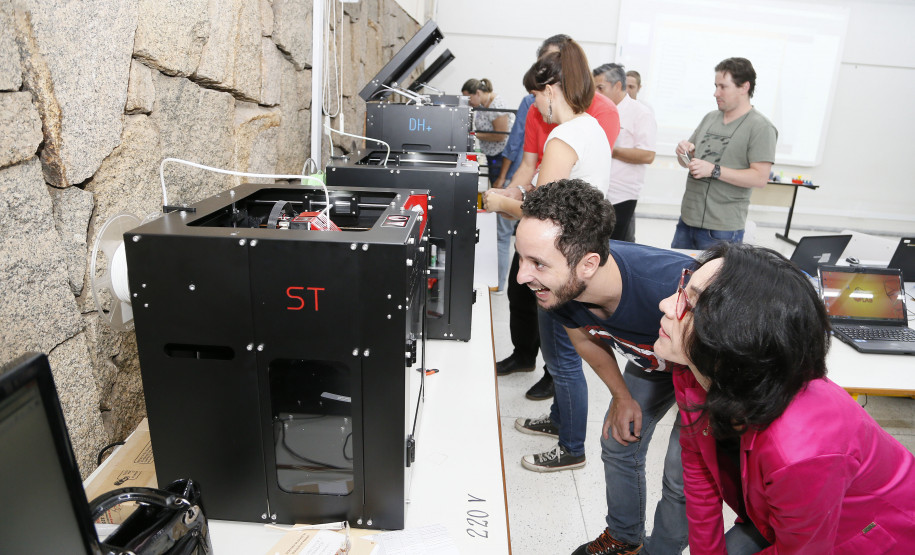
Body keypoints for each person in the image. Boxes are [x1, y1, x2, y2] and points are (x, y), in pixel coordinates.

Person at [655, 242, 915, 553]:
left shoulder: (801, 448)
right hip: (781, 516)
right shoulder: (694, 371)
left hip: (869, 535)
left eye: (691, 304)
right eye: (682, 288)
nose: (666, 304)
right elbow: (699, 473)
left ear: (737, 335)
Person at [515, 179, 690, 554]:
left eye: (537, 263)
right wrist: (621, 396)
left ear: (589, 264)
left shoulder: (673, 289)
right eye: (521, 258)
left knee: (682, 475)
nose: (521, 276)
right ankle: (625, 539)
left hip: (706, 371)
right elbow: (583, 338)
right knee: (618, 440)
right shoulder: (560, 285)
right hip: (655, 363)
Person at [488, 34, 620, 403]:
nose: (533, 103)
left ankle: (569, 445)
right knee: (566, 354)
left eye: (534, 94)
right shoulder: (589, 127)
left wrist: (497, 202)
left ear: (550, 90)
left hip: (561, 255)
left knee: (562, 358)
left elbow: (540, 212)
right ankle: (560, 425)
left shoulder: (563, 137)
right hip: (577, 248)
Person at [672, 57, 777, 250]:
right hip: (687, 221)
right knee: (678, 278)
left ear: (744, 87)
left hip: (722, 229)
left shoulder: (761, 127)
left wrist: (714, 170)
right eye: (715, 86)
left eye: (723, 87)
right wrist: (683, 153)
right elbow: (687, 163)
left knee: (714, 281)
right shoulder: (710, 118)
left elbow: (760, 178)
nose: (715, 93)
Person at [593, 63, 657, 242]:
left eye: (600, 88)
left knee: (613, 248)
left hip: (621, 195)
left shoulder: (640, 113)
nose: (596, 94)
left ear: (618, 86)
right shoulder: (595, 111)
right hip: (596, 190)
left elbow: (647, 155)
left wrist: (610, 150)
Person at [461, 77, 515, 190]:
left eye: (469, 98)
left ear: (478, 93)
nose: (469, 103)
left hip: (501, 156)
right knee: (493, 187)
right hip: (491, 155)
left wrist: (473, 134)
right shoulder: (482, 106)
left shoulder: (496, 105)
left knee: (499, 189)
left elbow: (500, 135)